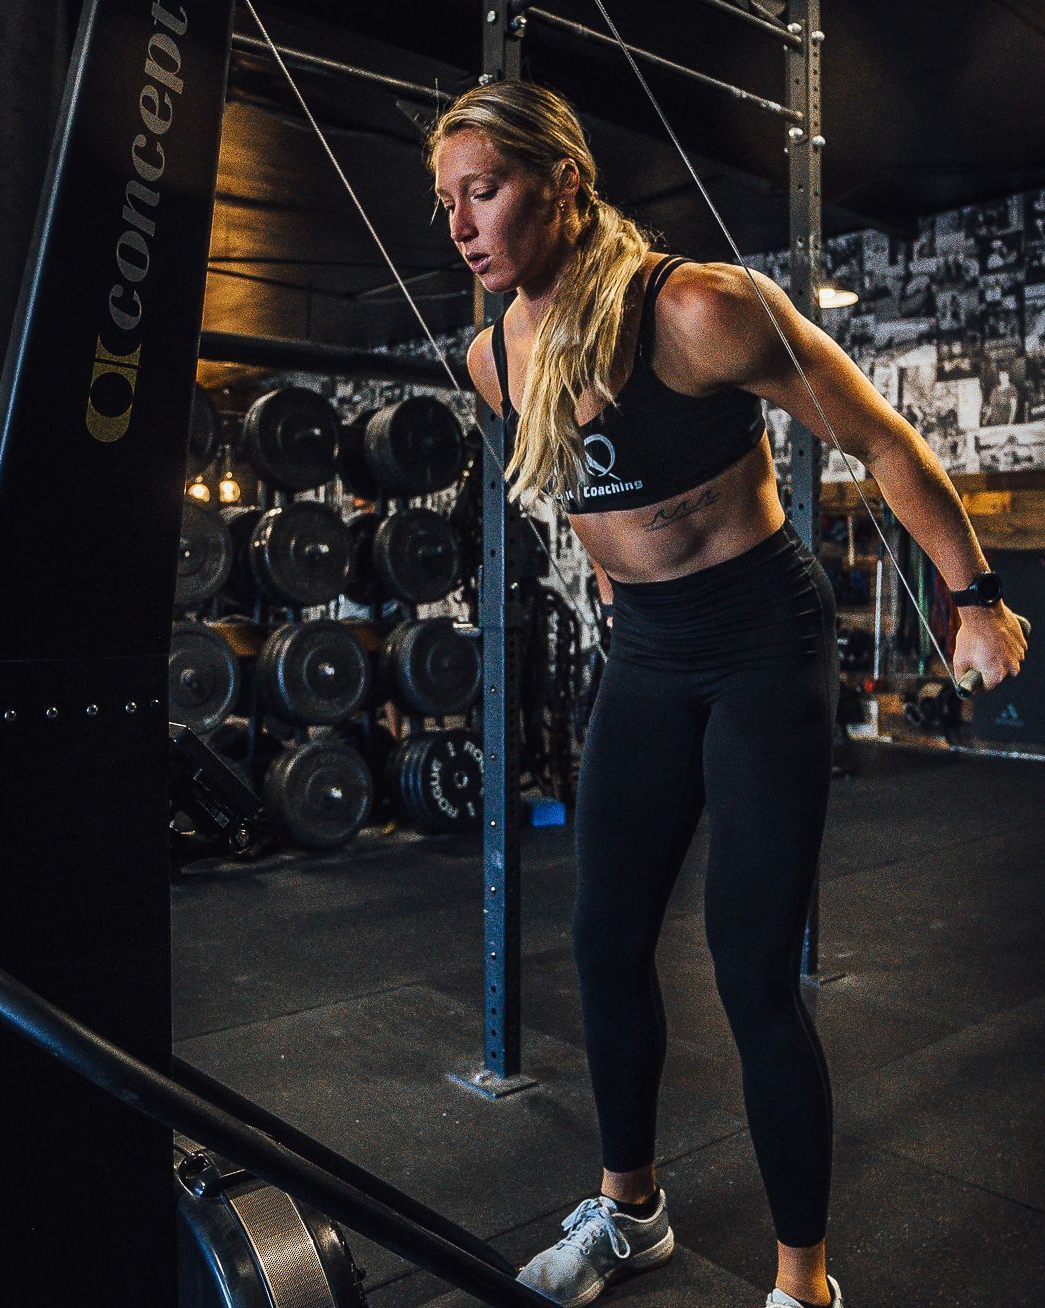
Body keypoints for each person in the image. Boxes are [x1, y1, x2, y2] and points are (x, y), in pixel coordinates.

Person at [427, 81, 1027, 1308]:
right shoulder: (494, 358)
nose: (460, 225)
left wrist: (975, 598)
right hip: (648, 654)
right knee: (602, 940)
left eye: (482, 191)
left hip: (761, 639)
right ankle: (629, 1210)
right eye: (445, 201)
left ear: (567, 183)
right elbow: (593, 499)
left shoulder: (697, 308)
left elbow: (880, 442)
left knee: (750, 969)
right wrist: (609, 589)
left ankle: (801, 1282)